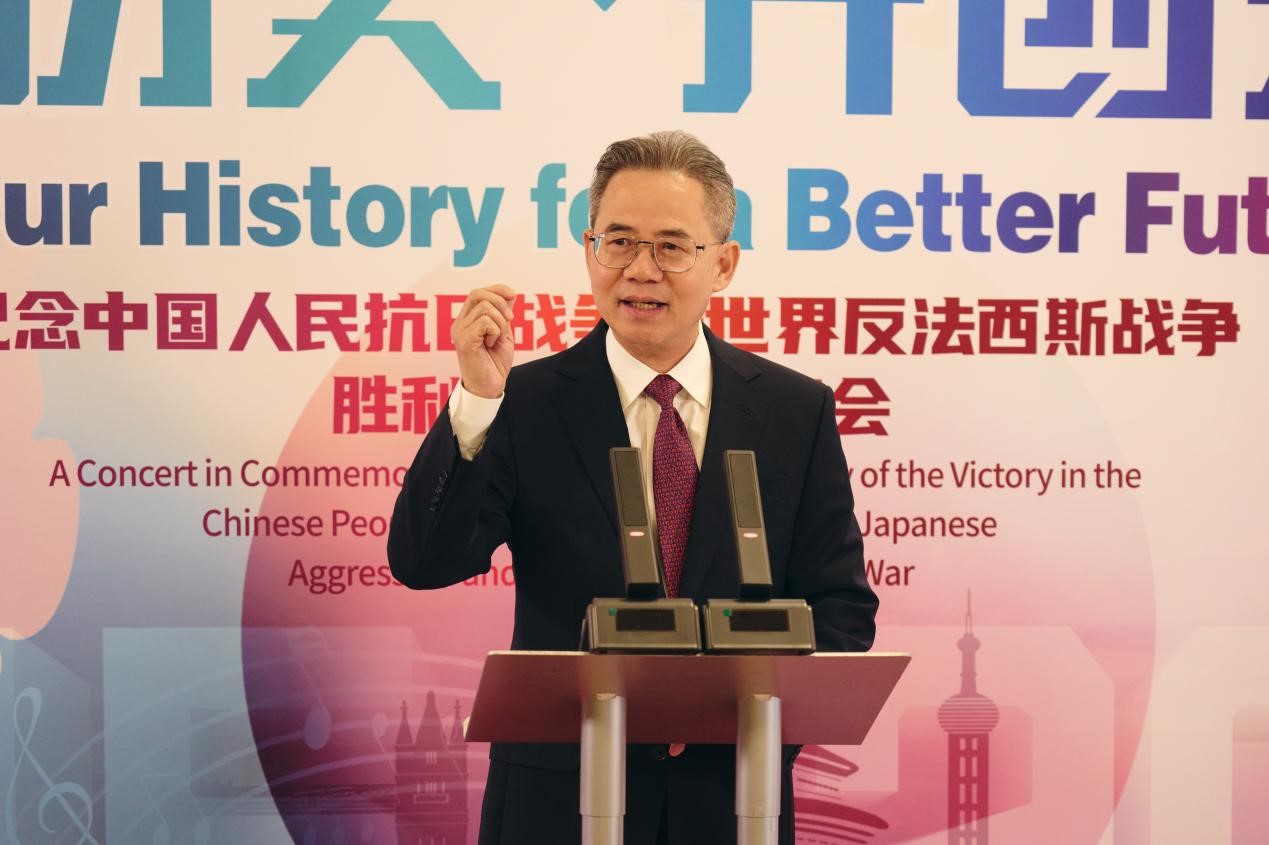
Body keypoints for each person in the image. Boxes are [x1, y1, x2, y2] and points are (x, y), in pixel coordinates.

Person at [388, 130, 878, 845]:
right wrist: (476, 403)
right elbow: (424, 562)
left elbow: (840, 612)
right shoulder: (523, 401)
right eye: (617, 242)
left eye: (671, 247)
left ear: (723, 264)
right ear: (590, 249)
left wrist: (738, 722)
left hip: (729, 800)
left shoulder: (793, 411)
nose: (640, 270)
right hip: (555, 805)